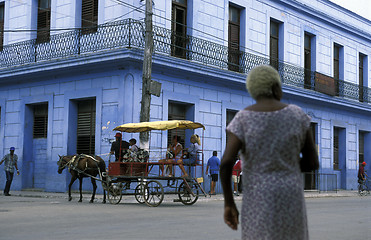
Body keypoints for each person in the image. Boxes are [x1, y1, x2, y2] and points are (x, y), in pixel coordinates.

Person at [220, 65, 319, 239]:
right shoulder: (297, 115)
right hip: (290, 196)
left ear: (254, 91)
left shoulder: (243, 118)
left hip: (258, 199)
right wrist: (286, 164)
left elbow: (227, 162)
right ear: (275, 88)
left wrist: (229, 203)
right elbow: (312, 162)